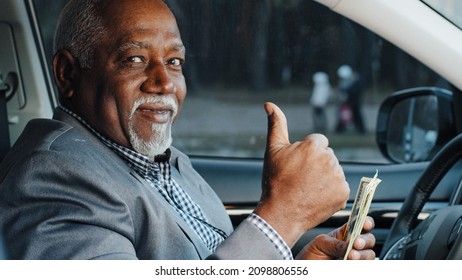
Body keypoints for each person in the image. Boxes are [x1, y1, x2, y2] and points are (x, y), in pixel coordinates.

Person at [0, 0, 375, 260]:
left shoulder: (164, 161)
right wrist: (283, 216)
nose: (164, 83)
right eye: (134, 59)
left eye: (174, 61)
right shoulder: (53, 178)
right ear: (67, 73)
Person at [335, 65, 366, 134]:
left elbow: (354, 91)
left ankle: (361, 130)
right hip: (350, 101)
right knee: (344, 115)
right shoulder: (351, 80)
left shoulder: (356, 81)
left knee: (356, 115)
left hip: (354, 102)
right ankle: (340, 130)